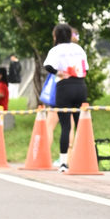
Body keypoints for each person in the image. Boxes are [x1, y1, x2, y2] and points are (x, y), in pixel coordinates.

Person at [42, 24, 89, 172]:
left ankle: (63, 162)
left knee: (66, 126)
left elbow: (47, 66)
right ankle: (82, 160)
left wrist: (59, 73)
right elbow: (86, 69)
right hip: (80, 86)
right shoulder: (78, 49)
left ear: (56, 35)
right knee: (80, 125)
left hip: (64, 87)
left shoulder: (56, 50)